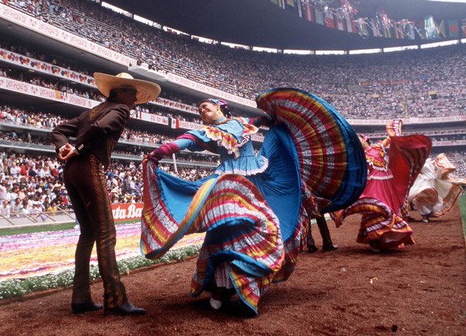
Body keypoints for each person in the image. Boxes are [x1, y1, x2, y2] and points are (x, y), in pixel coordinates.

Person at [141, 88, 366, 315]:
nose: (202, 112)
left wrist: (277, 112)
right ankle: (223, 289)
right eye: (200, 110)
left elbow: (265, 119)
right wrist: (158, 153)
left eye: (205, 107)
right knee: (226, 228)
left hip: (256, 177)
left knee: (260, 222)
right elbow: (186, 141)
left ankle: (243, 286)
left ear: (219, 107)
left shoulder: (242, 122)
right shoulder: (209, 132)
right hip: (229, 183)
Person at [51, 72, 161, 316]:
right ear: (120, 92)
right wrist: (77, 148)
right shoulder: (121, 109)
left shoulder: (89, 111)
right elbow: (102, 128)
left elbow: (57, 130)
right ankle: (115, 298)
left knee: (87, 233)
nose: (135, 98)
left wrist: (65, 147)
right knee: (106, 233)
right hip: (89, 165)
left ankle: (80, 298)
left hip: (71, 170)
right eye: (132, 92)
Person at [334, 121, 431, 253]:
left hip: (386, 185)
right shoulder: (358, 157)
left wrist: (395, 128)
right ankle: (375, 240)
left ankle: (387, 240)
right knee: (375, 209)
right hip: (373, 185)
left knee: (388, 208)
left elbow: (390, 139)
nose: (360, 141)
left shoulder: (377, 147)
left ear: (365, 140)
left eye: (360, 139)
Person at [408, 153, 466, 222]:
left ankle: (429, 213)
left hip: (432, 182)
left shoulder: (428, 161)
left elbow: (436, 164)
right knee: (422, 199)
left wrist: (440, 160)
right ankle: (424, 215)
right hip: (423, 182)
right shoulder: (417, 164)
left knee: (437, 200)